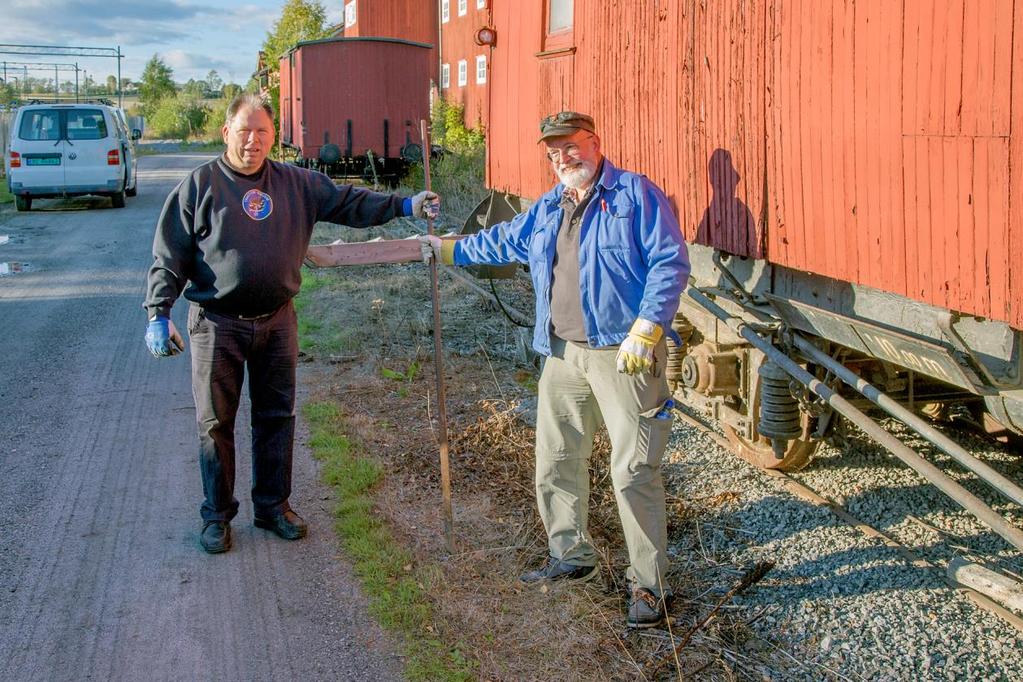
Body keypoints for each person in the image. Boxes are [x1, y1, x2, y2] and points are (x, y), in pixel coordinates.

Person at [421, 111, 690, 628]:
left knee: (633, 471)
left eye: (571, 147)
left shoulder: (635, 195)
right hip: (563, 355)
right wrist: (448, 250)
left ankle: (649, 587)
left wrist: (648, 326)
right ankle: (572, 557)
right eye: (553, 153)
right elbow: (500, 242)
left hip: (624, 355)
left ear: (595, 142)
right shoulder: (548, 207)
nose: (564, 158)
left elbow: (670, 263)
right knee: (557, 458)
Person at [144, 93, 439, 554]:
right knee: (215, 424)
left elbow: (350, 203)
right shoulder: (199, 186)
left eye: (263, 132)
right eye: (244, 131)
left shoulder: (296, 183)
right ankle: (217, 516)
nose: (253, 141)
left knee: (277, 417)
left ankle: (272, 508)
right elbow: (169, 256)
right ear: (226, 133)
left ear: (273, 136)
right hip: (216, 325)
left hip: (278, 322)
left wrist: (406, 207)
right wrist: (158, 313)